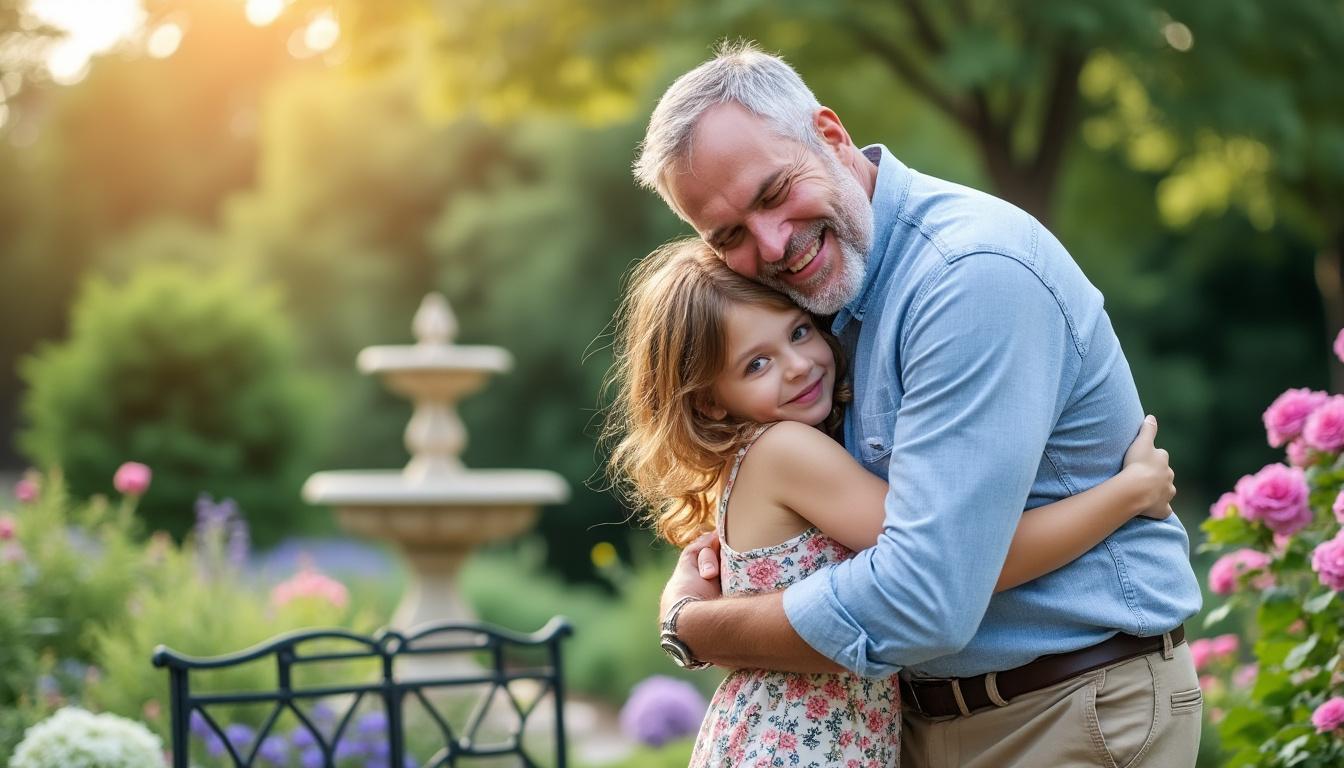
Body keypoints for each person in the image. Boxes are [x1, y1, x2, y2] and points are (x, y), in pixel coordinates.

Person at [631, 42, 1203, 767]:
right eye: (730, 236)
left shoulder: (965, 280)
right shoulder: (821, 302)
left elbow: (928, 590)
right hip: (923, 727)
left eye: (774, 193)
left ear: (832, 136)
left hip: (1064, 712)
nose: (772, 244)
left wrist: (702, 628)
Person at [605, 241, 1177, 766]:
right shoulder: (786, 449)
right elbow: (961, 563)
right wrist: (1125, 495)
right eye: (756, 364)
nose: (798, 364)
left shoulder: (774, 452)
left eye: (799, 331)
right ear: (709, 405)